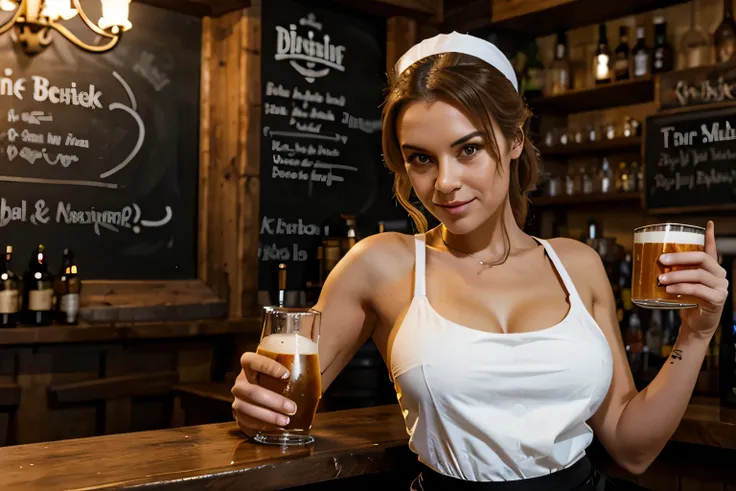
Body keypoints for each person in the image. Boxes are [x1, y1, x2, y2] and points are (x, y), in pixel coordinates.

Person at [232, 32, 728, 490]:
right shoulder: (381, 264)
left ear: (514, 140)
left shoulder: (577, 265)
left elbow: (631, 445)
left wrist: (696, 334)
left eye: (468, 149)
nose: (444, 182)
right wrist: (256, 410)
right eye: (421, 158)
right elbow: (283, 404)